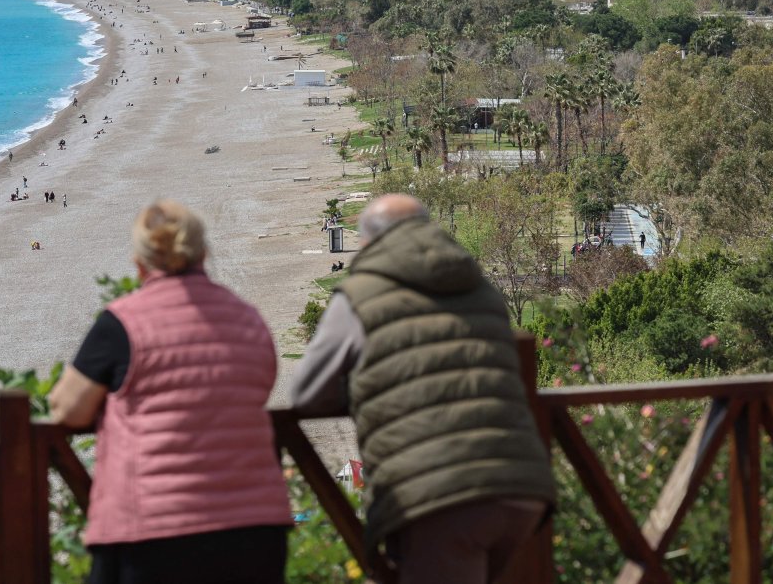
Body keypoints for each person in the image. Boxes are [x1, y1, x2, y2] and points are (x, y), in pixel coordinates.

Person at [290, 194, 554, 584]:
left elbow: (306, 393)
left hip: (443, 495)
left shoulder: (361, 295)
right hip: (523, 488)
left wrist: (375, 393)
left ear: (366, 243)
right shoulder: (482, 290)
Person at [48, 200, 291, 584]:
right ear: (204, 254)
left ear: (140, 263)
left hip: (152, 529)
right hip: (255, 525)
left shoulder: (123, 322)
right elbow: (261, 385)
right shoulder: (248, 317)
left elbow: (67, 410)